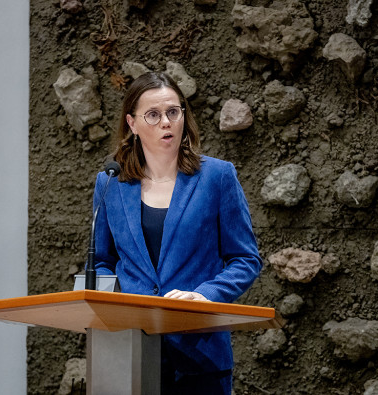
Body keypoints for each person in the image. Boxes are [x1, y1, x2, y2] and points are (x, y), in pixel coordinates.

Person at [92, 71, 262, 394]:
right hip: (131, 350)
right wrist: (116, 306)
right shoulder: (110, 183)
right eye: (153, 115)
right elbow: (103, 261)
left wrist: (205, 296)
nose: (166, 122)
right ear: (132, 123)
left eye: (173, 112)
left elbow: (245, 259)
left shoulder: (217, 177)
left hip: (200, 353)